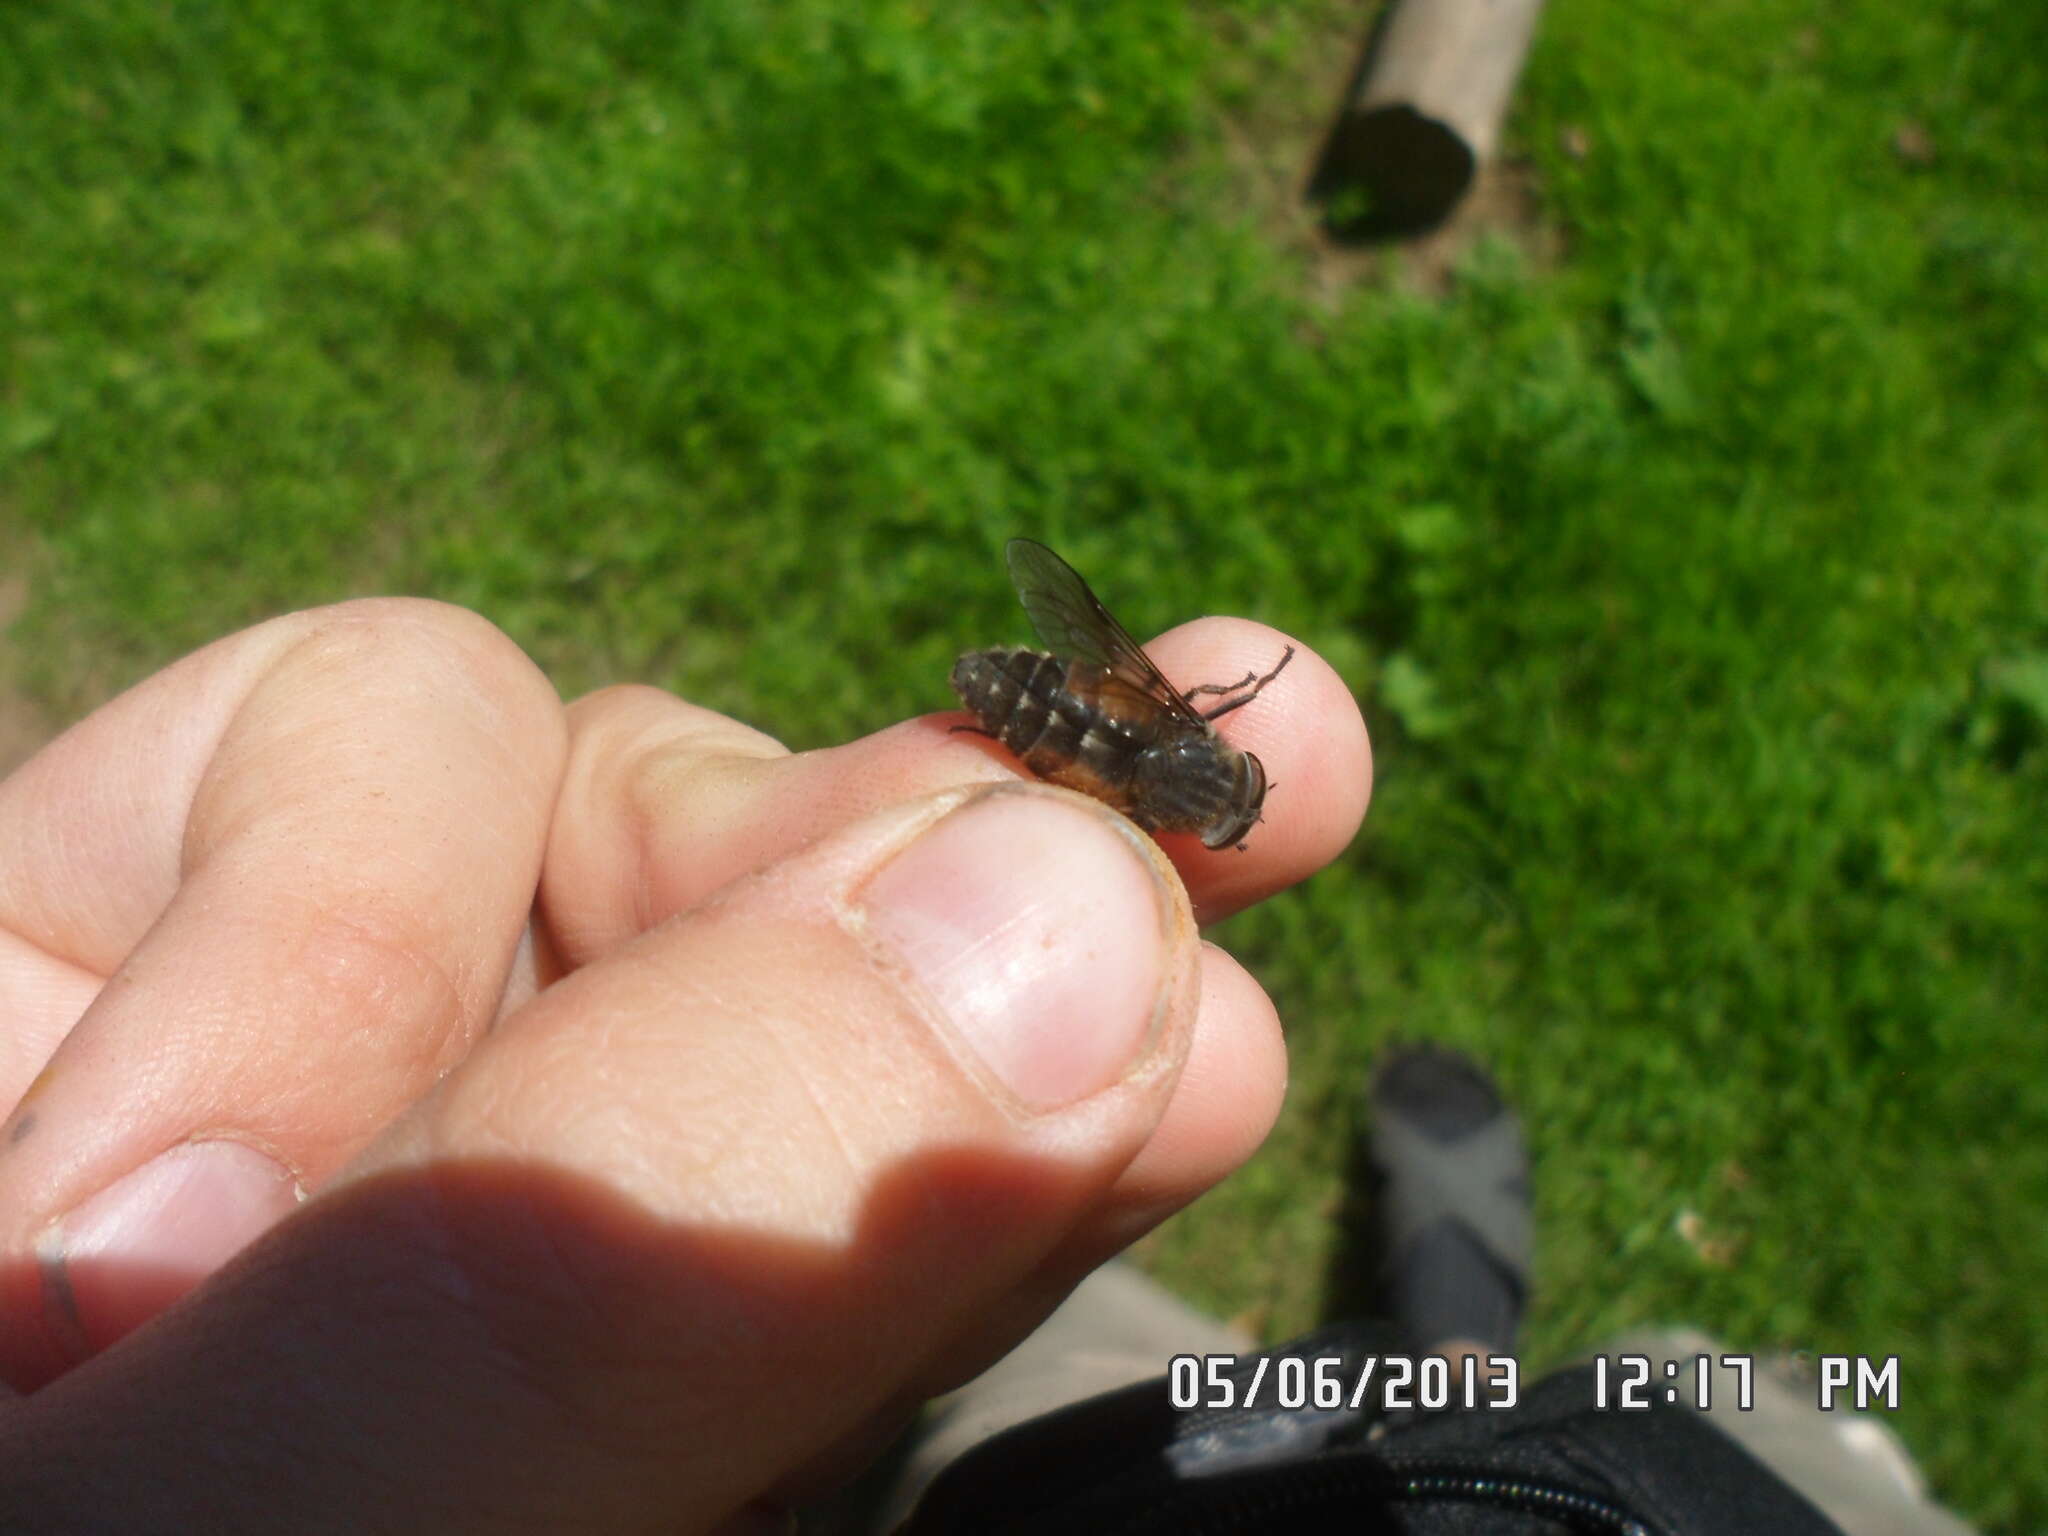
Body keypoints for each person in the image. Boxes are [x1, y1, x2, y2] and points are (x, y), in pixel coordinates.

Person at [0, 596, 1368, 1531]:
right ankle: (1426, 1355)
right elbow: (1095, 727)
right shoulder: (1139, 787)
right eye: (1228, 781)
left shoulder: (1151, 743)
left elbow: (1106, 681)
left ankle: (1382, 1355)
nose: (1228, 780)